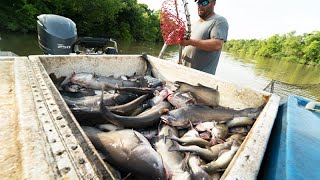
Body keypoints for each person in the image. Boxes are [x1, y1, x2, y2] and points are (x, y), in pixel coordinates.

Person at [179, 0, 229, 75]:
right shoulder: (194, 24)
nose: (200, 5)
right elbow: (188, 47)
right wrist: (180, 60)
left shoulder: (219, 21)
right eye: (198, 3)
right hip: (184, 72)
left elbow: (217, 44)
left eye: (204, 2)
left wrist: (190, 42)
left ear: (214, 3)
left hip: (201, 78)